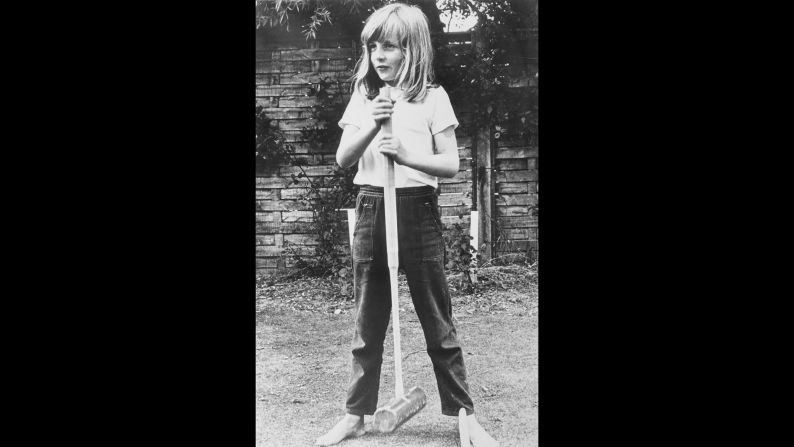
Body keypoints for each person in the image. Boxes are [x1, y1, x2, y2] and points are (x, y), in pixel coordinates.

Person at [315, 3, 498, 446]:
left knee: (437, 316)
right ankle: (356, 414)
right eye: (373, 46)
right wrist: (373, 127)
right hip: (372, 206)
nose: (380, 54)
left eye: (390, 46)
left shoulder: (433, 98)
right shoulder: (365, 96)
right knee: (368, 319)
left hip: (417, 207)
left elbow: (450, 164)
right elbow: (344, 158)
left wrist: (406, 156)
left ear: (411, 49)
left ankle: (464, 415)